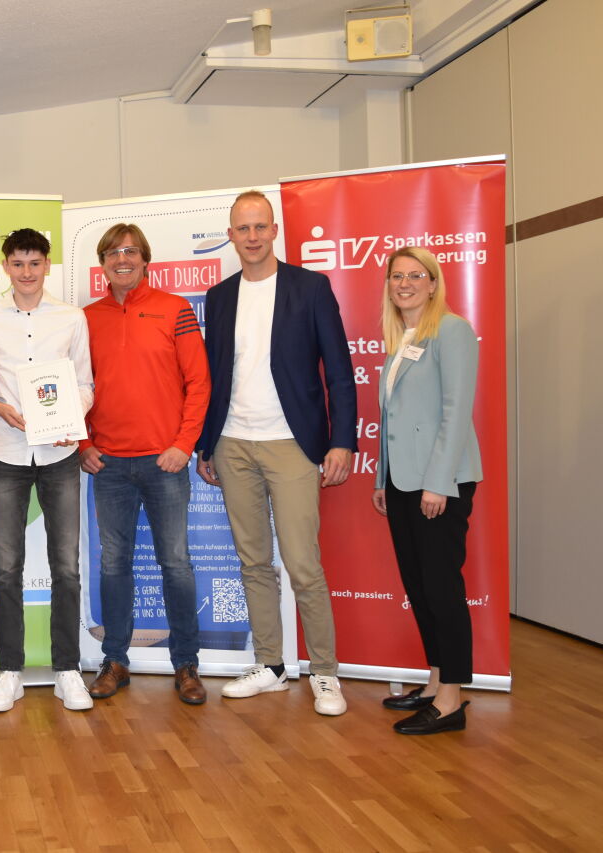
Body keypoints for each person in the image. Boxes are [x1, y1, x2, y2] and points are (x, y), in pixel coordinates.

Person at [195, 191, 357, 716]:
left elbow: (339, 370)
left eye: (260, 226)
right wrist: (206, 444)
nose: (252, 237)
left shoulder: (310, 288)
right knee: (254, 563)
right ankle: (270, 665)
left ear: (274, 230)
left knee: (303, 564)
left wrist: (342, 440)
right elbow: (214, 377)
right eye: (243, 229)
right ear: (231, 235)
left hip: (292, 444)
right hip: (232, 444)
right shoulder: (220, 297)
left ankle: (325, 672)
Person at [0, 228, 95, 712]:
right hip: (7, 455)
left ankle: (67, 670)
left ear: (47, 266)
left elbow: (85, 384)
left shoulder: (71, 318)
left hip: (59, 456)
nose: (26, 272)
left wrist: (72, 418)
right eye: (17, 263)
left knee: (66, 567)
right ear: (6, 267)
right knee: (6, 569)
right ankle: (10, 672)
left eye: (34, 263)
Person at [81, 223, 212, 705]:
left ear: (145, 260)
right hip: (109, 464)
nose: (122, 259)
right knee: (114, 564)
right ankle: (115, 660)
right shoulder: (86, 318)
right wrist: (83, 443)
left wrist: (184, 444)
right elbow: (72, 387)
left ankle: (186, 664)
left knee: (175, 564)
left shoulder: (175, 309)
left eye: (130, 251)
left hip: (165, 463)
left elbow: (199, 382)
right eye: (113, 253)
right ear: (103, 264)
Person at [372, 247, 483, 735]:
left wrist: (438, 483)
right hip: (402, 482)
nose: (405, 283)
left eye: (416, 275)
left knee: (442, 588)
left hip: (440, 483)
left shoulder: (452, 331)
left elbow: (455, 413)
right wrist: (382, 478)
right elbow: (394, 419)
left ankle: (452, 700)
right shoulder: (401, 339)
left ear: (433, 283)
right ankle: (437, 681)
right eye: (397, 276)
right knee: (419, 586)